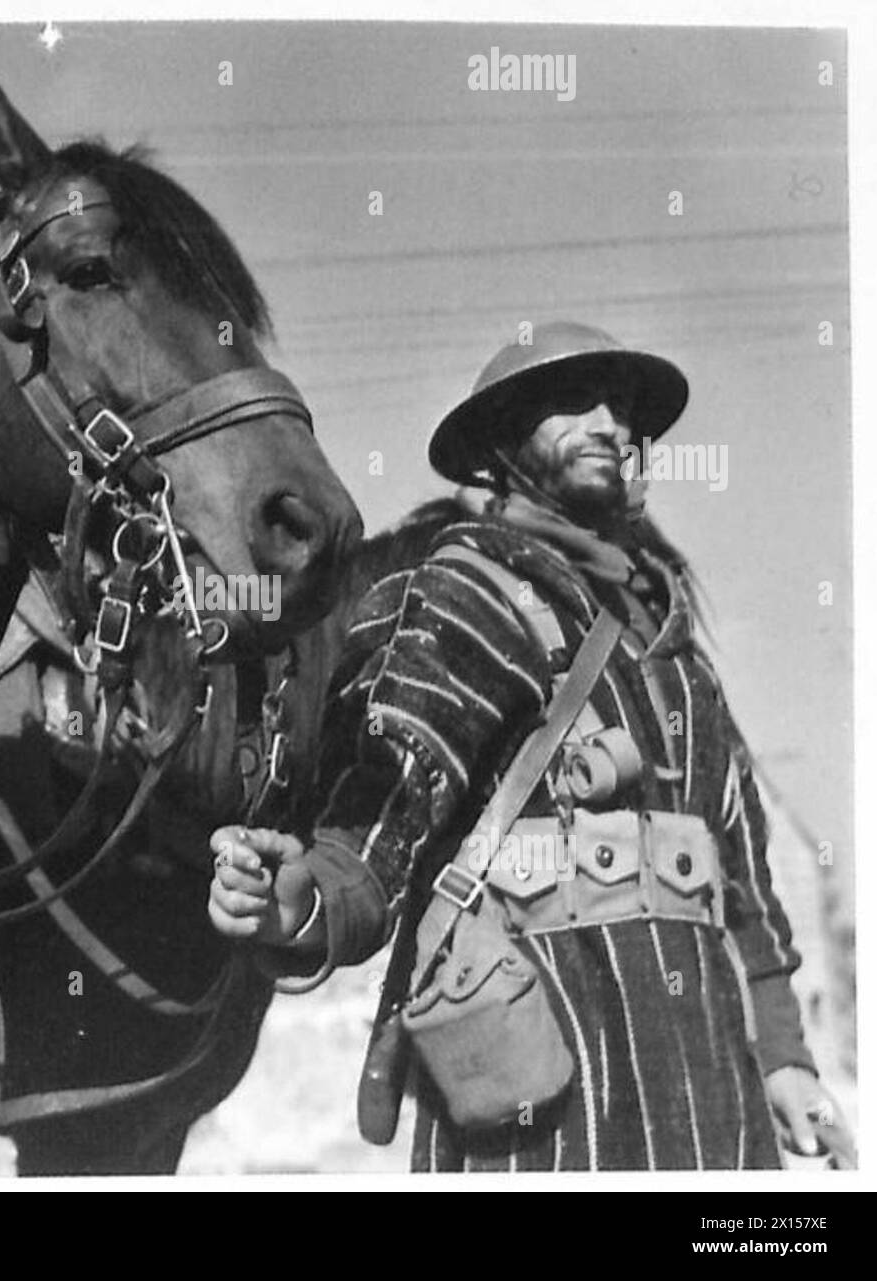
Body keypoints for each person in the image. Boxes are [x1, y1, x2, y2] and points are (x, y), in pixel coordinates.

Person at [207, 321, 853, 1171]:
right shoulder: (466, 593)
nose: (608, 422)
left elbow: (743, 887)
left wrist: (785, 1057)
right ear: (501, 446)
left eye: (621, 407)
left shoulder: (670, 644)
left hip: (710, 1095)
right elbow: (383, 802)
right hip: (548, 1096)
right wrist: (302, 902)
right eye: (570, 402)